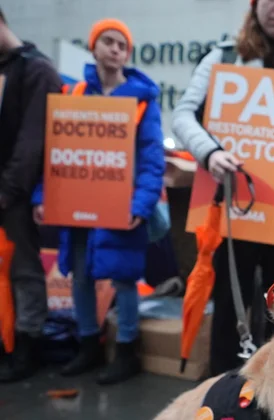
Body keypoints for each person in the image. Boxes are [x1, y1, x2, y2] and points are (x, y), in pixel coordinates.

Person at [171, 0, 274, 376]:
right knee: (229, 305)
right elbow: (182, 115)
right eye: (271, 0)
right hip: (233, 207)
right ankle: (221, 388)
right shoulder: (223, 58)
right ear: (255, 7)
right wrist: (210, 153)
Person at [31, 18, 165, 385]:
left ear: (128, 54)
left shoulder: (142, 101)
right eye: (108, 41)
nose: (115, 49)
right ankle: (87, 346)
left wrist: (141, 204)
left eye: (122, 45)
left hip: (120, 207)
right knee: (80, 277)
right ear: (94, 47)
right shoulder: (72, 96)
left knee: (123, 279)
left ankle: (126, 351)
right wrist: (43, 196)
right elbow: (53, 152)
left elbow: (152, 160)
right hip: (76, 207)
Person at [0, 6, 63, 383]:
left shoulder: (37, 69)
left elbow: (34, 142)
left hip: (19, 196)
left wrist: (8, 191)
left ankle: (28, 346)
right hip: (11, 190)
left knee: (24, 271)